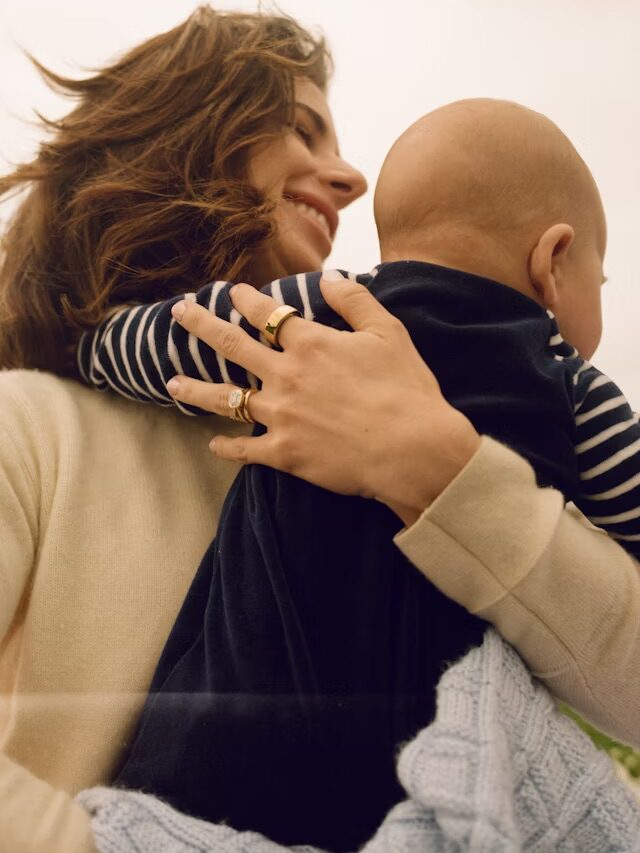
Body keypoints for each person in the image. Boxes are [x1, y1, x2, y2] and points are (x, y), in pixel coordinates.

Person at [0, 7, 637, 851]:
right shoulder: (29, 427)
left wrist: (442, 471)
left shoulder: (451, 410)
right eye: (302, 129)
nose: (352, 179)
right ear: (175, 132)